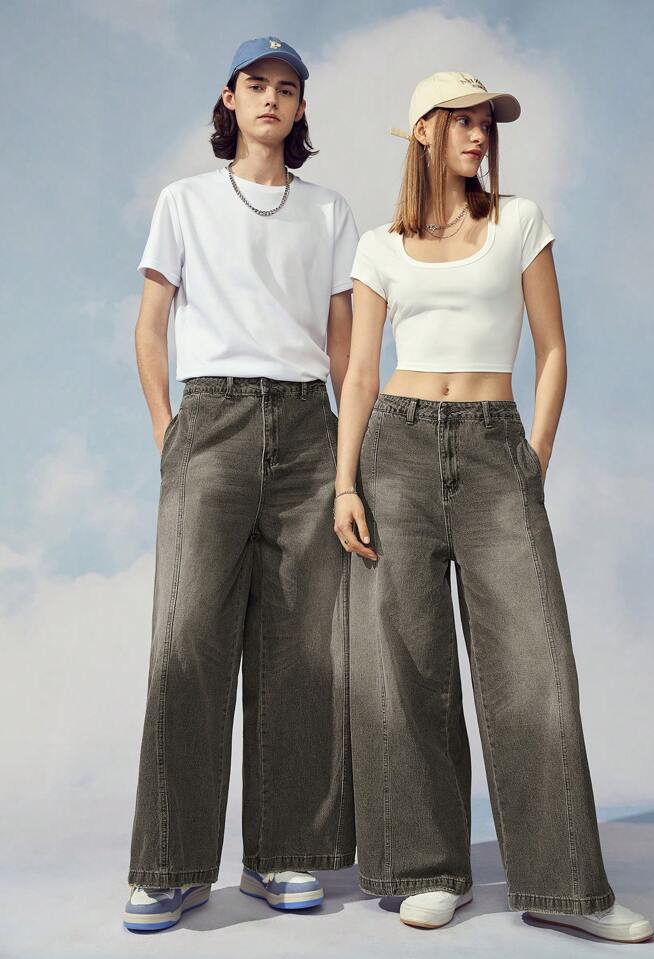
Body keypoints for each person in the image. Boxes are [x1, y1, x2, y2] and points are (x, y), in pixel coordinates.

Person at [333, 71, 654, 943]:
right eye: (464, 122)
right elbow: (359, 374)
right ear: (423, 132)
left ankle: (566, 886)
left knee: (534, 665)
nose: (480, 135)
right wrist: (345, 482)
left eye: (487, 123)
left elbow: (553, 350)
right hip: (395, 452)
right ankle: (427, 869)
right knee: (408, 667)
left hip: (494, 448)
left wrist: (533, 457)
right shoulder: (379, 245)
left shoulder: (520, 221)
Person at [123, 36, 359, 932]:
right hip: (211, 421)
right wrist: (168, 428)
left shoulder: (328, 211)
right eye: (256, 85)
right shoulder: (184, 201)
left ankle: (280, 853)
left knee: (300, 646)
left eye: (286, 88)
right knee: (187, 638)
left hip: (307, 428)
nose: (271, 99)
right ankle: (168, 865)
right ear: (229, 99)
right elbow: (151, 325)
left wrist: (348, 458)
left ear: (300, 108)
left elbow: (344, 345)